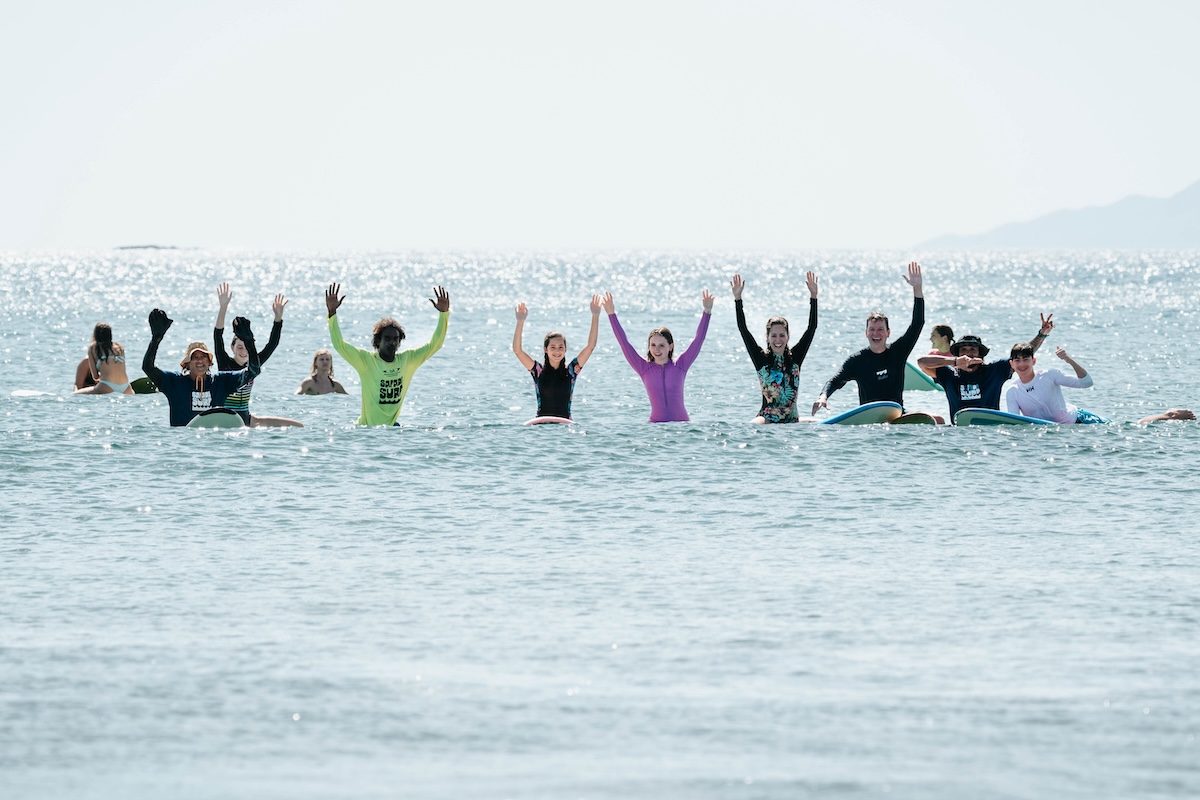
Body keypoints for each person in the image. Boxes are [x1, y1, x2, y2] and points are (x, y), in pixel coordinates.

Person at [325, 282, 450, 426]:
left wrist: (443, 314)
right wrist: (332, 313)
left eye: (395, 339)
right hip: (367, 430)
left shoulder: (408, 360)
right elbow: (339, 345)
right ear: (378, 341)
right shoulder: (366, 361)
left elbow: (435, 345)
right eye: (387, 339)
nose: (392, 343)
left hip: (393, 430)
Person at [812, 262, 924, 415]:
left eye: (880, 329)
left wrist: (917, 290)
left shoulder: (898, 351)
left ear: (888, 333)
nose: (876, 334)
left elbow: (917, 323)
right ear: (866, 333)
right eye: (872, 329)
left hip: (896, 414)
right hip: (869, 417)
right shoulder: (857, 360)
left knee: (937, 419)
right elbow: (835, 381)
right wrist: (823, 397)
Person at [915, 314, 1054, 422]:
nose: (968, 353)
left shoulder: (994, 371)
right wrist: (955, 361)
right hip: (959, 432)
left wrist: (1042, 334)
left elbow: (1023, 355)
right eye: (963, 350)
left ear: (980, 354)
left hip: (990, 433)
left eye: (972, 350)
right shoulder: (949, 375)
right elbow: (922, 362)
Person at [603, 289, 714, 423]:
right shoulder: (643, 368)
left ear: (670, 346)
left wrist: (707, 311)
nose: (656, 349)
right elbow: (624, 343)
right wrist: (611, 314)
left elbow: (698, 340)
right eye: (653, 345)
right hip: (655, 428)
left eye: (661, 345)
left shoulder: (681, 365)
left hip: (682, 427)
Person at [142, 309, 261, 427]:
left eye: (203, 356)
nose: (199, 360)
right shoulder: (174, 382)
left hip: (211, 437)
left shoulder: (221, 382)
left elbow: (253, 371)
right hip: (182, 438)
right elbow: (148, 368)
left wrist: (249, 342)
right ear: (187, 364)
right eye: (194, 357)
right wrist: (156, 339)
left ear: (209, 362)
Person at [730, 271, 818, 423]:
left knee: (823, 423)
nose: (778, 340)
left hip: (792, 420)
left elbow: (812, 328)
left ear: (788, 336)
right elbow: (743, 329)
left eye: (782, 335)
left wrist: (814, 297)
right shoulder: (761, 359)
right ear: (767, 337)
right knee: (752, 425)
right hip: (767, 419)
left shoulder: (795, 358)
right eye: (774, 336)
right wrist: (738, 299)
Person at [213, 283, 302, 427]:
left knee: (298, 426)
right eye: (239, 347)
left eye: (246, 347)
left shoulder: (254, 364)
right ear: (232, 347)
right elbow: (218, 336)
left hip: (246, 419)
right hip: (226, 418)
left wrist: (278, 318)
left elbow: (272, 344)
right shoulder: (225, 363)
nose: (244, 352)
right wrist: (223, 307)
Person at [512, 295, 601, 419]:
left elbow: (591, 346)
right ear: (546, 349)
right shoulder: (537, 371)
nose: (557, 351)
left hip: (564, 424)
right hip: (542, 424)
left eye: (560, 347)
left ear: (565, 349)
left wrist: (595, 315)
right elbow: (517, 351)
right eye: (552, 347)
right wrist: (520, 321)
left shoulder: (571, 371)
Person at [1002, 343, 1109, 424]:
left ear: (1033, 361)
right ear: (1011, 364)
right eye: (1017, 360)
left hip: (1079, 420)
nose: (1021, 364)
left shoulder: (1049, 375)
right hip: (1049, 430)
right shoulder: (1013, 391)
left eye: (1025, 359)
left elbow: (1087, 383)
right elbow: (1015, 423)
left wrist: (1068, 359)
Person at [73, 323, 134, 395]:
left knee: (75, 394)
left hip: (106, 386)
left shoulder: (93, 348)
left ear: (95, 335)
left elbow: (95, 377)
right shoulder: (119, 347)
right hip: (126, 387)